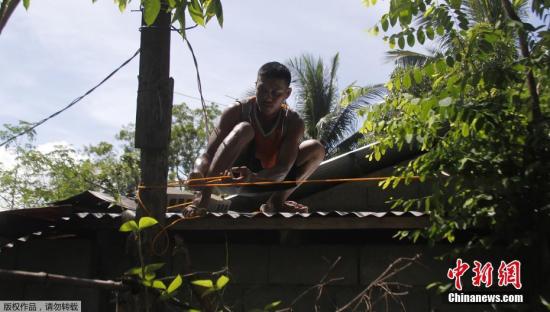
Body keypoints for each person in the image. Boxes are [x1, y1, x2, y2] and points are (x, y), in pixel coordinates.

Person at [185, 62, 325, 216]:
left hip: (267, 180)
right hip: (229, 178)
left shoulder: (293, 122)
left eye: (276, 93)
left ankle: (276, 202)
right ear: (256, 85)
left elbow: (283, 169)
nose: (267, 97)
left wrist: (254, 177)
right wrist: (197, 172)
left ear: (287, 93)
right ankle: (202, 200)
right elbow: (207, 156)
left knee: (315, 148)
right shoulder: (236, 111)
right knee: (244, 129)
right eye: (262, 90)